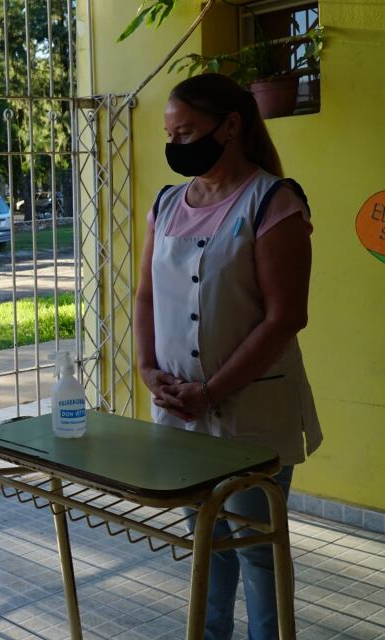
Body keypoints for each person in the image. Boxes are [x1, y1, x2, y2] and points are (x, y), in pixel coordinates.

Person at [134, 73, 323, 640]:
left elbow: (285, 316)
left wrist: (213, 390)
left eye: (187, 131)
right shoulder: (167, 203)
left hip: (250, 414)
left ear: (231, 126)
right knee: (206, 546)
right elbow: (145, 294)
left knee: (256, 551)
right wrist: (148, 368)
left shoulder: (273, 201)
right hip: (181, 414)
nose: (176, 144)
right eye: (170, 133)